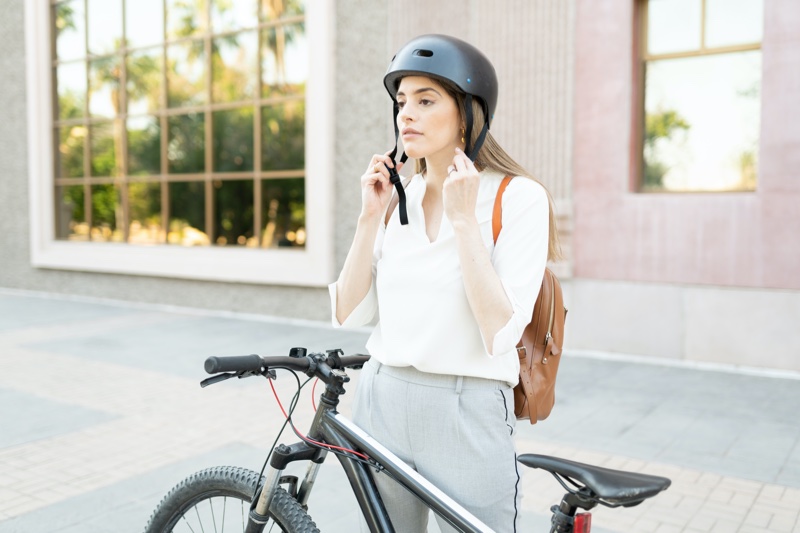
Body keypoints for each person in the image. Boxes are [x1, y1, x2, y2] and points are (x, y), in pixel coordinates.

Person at [329, 34, 560, 532]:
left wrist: (463, 222)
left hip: (465, 408)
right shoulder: (398, 196)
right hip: (381, 401)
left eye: (426, 100)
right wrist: (369, 218)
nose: (406, 114)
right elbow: (348, 312)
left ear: (467, 114)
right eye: (401, 101)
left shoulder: (518, 198)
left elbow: (500, 332)